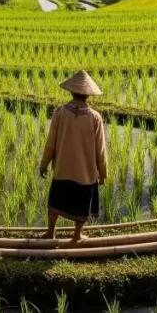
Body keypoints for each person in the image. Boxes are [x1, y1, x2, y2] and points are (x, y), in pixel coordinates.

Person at [39, 70, 107, 243]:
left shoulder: (60, 112)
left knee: (55, 201)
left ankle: (50, 232)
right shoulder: (95, 118)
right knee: (82, 204)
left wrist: (44, 164)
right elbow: (101, 150)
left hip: (63, 169)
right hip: (85, 173)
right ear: (88, 94)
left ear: (71, 91)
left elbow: (50, 143)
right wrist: (103, 172)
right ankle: (76, 235)